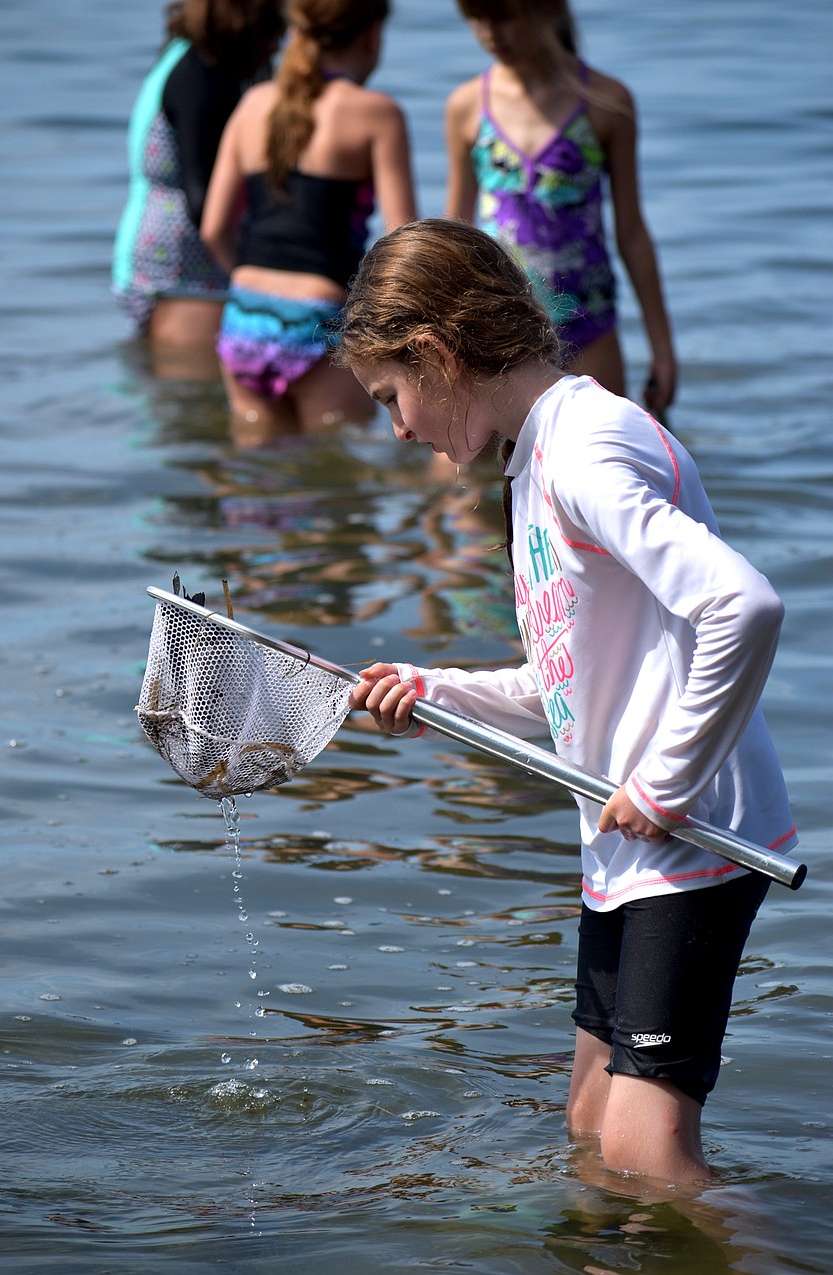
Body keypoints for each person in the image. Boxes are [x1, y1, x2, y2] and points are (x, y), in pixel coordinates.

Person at [335, 219, 797, 1185]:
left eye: (393, 396)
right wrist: (436, 689)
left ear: (438, 352)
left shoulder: (585, 449)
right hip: (622, 851)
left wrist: (669, 784)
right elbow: (568, 689)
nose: (401, 429)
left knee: (645, 1152)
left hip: (694, 842)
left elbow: (743, 604)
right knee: (589, 1127)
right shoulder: (531, 462)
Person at [445, 0, 676, 417]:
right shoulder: (467, 106)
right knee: (466, 476)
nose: (488, 33)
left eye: (502, 16)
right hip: (496, 327)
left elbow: (632, 233)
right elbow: (455, 234)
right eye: (476, 18)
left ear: (547, 8)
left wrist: (663, 349)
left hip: (588, 324)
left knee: (597, 464)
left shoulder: (606, 102)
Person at [199, 0, 416, 444]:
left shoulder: (254, 103)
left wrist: (252, 285)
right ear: (370, 34)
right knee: (335, 483)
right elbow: (403, 241)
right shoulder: (375, 112)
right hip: (320, 317)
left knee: (256, 480)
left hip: (245, 316)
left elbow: (213, 229)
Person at [112, 0, 286, 373]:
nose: (278, 45)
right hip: (186, 272)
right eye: (275, 30)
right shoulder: (202, 80)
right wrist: (261, 283)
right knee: (196, 396)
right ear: (248, 26)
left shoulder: (183, 58)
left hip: (158, 259)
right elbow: (203, 203)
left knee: (182, 407)